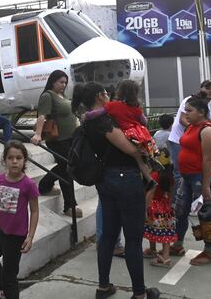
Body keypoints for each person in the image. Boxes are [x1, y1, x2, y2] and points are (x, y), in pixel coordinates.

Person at [74, 81, 160, 299]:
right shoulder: (103, 120)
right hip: (125, 179)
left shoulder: (89, 121)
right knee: (132, 239)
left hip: (106, 181)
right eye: (106, 93)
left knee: (109, 236)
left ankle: (104, 287)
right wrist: (143, 147)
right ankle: (140, 294)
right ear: (100, 96)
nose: (109, 95)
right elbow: (131, 149)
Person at [0, 141, 39, 299]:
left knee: (10, 277)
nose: (14, 161)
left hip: (16, 236)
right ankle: (1, 289)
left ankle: (6, 290)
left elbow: (34, 211)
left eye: (19, 158)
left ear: (24, 160)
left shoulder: (29, 184)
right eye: (10, 157)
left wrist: (30, 237)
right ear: (5, 160)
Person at [172, 95, 211, 266]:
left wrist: (206, 186)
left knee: (206, 214)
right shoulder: (192, 127)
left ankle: (209, 252)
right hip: (187, 177)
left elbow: (208, 160)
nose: (186, 114)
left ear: (201, 112)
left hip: (202, 179)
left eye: (189, 111)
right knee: (181, 211)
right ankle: (178, 244)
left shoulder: (207, 131)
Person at [83, 79, 158, 191]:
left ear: (120, 92)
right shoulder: (137, 109)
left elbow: (97, 113)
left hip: (127, 135)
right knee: (140, 157)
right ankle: (149, 178)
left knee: (136, 155)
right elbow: (144, 121)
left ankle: (148, 180)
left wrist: (86, 116)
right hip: (139, 135)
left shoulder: (113, 106)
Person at [30, 70, 82, 217]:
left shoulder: (62, 96)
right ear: (53, 81)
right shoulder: (48, 96)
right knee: (67, 169)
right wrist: (38, 134)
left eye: (65, 82)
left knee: (66, 166)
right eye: (61, 82)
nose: (63, 85)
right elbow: (42, 116)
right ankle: (69, 206)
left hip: (70, 139)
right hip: (58, 140)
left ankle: (44, 185)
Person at [167, 80, 211, 221]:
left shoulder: (210, 108)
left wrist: (201, 130)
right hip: (180, 140)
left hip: (195, 142)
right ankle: (178, 204)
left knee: (198, 174)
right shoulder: (189, 101)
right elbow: (183, 120)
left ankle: (197, 204)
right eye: (207, 88)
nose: (210, 91)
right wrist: (194, 128)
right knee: (179, 173)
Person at [143, 159, 177, 268]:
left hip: (153, 207)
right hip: (165, 207)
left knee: (150, 228)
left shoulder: (153, 175)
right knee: (165, 231)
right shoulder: (169, 176)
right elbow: (171, 193)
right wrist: (169, 204)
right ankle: (162, 255)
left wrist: (145, 208)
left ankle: (158, 253)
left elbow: (150, 192)